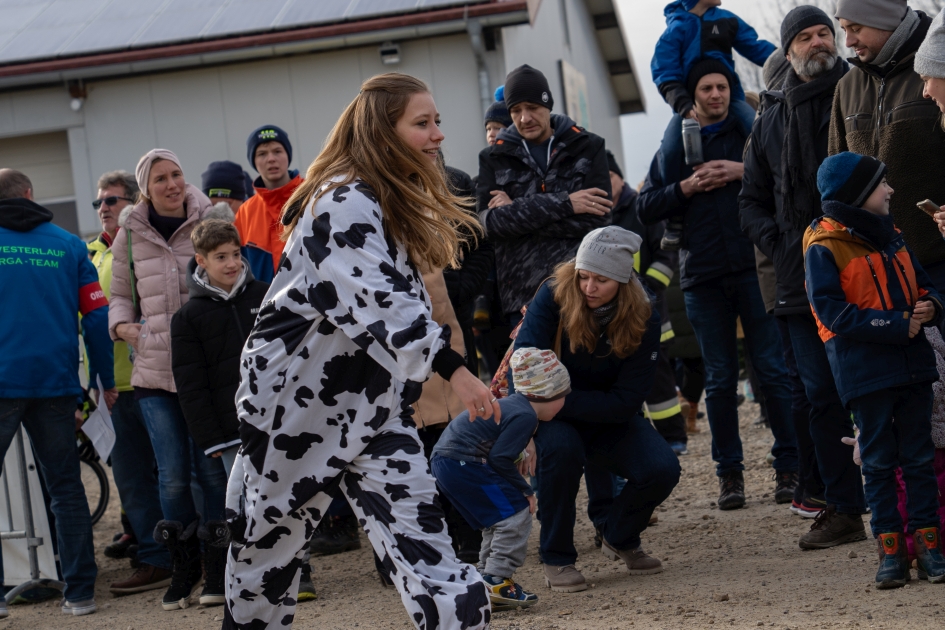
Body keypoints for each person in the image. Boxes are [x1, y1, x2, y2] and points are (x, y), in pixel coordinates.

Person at [221, 73, 495, 630]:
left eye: (437, 121)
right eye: (423, 123)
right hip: (293, 407)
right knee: (264, 566)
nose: (438, 134)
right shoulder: (339, 201)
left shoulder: (387, 199)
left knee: (430, 552)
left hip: (372, 409)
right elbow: (382, 303)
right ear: (382, 131)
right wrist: (457, 372)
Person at [637, 60, 798, 511]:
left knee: (773, 371)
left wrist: (739, 170)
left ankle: (790, 466)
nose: (716, 94)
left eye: (722, 86)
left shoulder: (752, 135)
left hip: (755, 269)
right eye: (706, 88)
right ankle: (730, 477)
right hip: (702, 276)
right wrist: (686, 187)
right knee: (721, 379)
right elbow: (646, 206)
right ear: (694, 96)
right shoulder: (674, 146)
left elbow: (786, 179)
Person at [740, 7, 869, 545]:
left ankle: (906, 505)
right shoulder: (769, 117)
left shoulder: (856, 92)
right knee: (820, 396)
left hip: (862, 270)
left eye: (824, 33)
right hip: (798, 284)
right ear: (787, 48)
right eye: (806, 36)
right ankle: (842, 508)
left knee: (876, 389)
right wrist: (784, 245)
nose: (818, 43)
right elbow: (750, 201)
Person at [512, 226, 680, 592]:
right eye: (583, 276)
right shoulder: (553, 294)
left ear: (622, 279)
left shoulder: (645, 313)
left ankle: (619, 536)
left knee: (663, 469)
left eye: (601, 280)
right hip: (551, 414)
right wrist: (531, 422)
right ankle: (557, 557)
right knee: (560, 452)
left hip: (602, 412)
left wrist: (561, 402)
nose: (588, 287)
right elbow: (523, 366)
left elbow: (628, 400)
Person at [805, 151, 945, 588]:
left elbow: (924, 283)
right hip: (865, 375)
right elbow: (832, 314)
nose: (891, 190)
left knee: (920, 460)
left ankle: (930, 549)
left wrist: (932, 304)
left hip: (913, 367)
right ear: (859, 194)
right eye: (882, 184)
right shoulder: (822, 245)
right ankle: (891, 555)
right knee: (880, 465)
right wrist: (899, 324)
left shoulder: (893, 234)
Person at [108, 149, 230, 611]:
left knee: (211, 470)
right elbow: (120, 294)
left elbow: (234, 273)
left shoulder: (211, 219)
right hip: (154, 370)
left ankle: (218, 568)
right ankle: (184, 567)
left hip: (205, 371)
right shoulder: (130, 234)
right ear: (146, 188)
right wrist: (122, 328)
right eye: (160, 178)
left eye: (177, 174)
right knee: (173, 477)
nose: (172, 184)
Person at [0, 169, 116, 618]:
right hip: (55, 383)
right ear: (30, 194)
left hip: (3, 382)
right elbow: (96, 320)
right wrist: (104, 382)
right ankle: (80, 593)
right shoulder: (69, 245)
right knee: (66, 489)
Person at [87, 170, 173, 595]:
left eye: (112, 200)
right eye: (99, 202)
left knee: (174, 474)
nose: (104, 208)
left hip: (152, 379)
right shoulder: (87, 254)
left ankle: (192, 554)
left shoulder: (143, 245)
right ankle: (155, 559)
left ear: (133, 202)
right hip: (111, 389)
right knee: (132, 482)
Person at [432, 347, 570, 610]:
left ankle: (486, 583)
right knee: (516, 513)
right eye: (564, 395)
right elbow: (499, 458)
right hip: (463, 462)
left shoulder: (515, 407)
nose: (565, 402)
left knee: (498, 520)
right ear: (549, 393)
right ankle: (497, 579)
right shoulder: (526, 415)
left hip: (448, 463)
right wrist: (526, 491)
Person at [477, 64, 613, 322]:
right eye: (516, 110)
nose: (524, 118)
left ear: (548, 106)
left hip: (582, 290)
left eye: (532, 108)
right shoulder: (493, 158)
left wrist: (517, 212)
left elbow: (599, 220)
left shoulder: (587, 147)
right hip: (522, 300)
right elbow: (490, 225)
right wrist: (566, 203)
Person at [829, 0, 945, 290]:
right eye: (844, 30)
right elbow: (836, 171)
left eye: (856, 28)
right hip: (878, 269)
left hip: (938, 262)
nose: (848, 41)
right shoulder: (846, 86)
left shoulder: (937, 70)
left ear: (886, 21)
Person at [652, 0, 775, 250]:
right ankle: (675, 220)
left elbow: (757, 48)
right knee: (671, 149)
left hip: (734, 98)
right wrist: (684, 105)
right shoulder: (675, 29)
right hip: (689, 105)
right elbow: (665, 73)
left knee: (758, 132)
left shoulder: (727, 20)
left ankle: (775, 194)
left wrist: (788, 59)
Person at [607, 152, 686, 453]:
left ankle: (674, 437)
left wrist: (646, 292)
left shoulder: (639, 207)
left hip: (650, 312)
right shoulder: (600, 212)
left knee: (660, 381)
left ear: (619, 176)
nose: (604, 185)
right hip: (613, 318)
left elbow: (666, 254)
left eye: (609, 177)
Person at [234, 124, 303, 282]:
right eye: (262, 154)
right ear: (254, 161)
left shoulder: (312, 196)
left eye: (277, 151)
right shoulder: (245, 212)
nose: (271, 159)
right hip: (266, 304)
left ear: (287, 155)